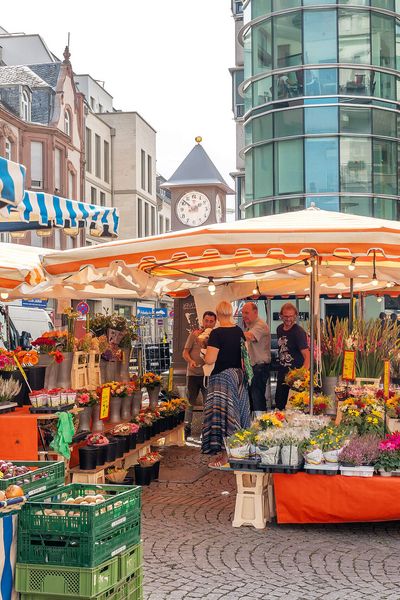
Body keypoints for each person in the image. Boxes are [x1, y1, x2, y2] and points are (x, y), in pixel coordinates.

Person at [201, 300, 251, 467]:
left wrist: (204, 351)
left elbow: (210, 359)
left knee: (224, 417)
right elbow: (245, 354)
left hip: (223, 378)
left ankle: (225, 457)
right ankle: (239, 451)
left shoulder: (217, 333)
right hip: (239, 376)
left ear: (217, 313)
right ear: (231, 312)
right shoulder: (239, 330)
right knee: (237, 414)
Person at [182, 310, 217, 437]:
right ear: (202, 321)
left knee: (208, 402)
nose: (208, 323)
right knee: (189, 402)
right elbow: (185, 352)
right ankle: (187, 427)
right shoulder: (194, 334)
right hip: (192, 373)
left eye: (211, 321)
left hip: (208, 374)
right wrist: (191, 361)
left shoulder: (216, 336)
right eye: (206, 320)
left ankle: (206, 429)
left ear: (215, 322)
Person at [275, 302, 310, 410]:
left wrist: (301, 375)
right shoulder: (279, 329)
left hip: (295, 375)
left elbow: (307, 355)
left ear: (295, 316)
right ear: (281, 316)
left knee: (295, 406)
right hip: (282, 372)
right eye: (286, 316)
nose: (288, 319)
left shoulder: (298, 332)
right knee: (280, 402)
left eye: (291, 316)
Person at [242, 302, 271, 415]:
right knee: (252, 395)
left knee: (257, 395)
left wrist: (232, 332)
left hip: (260, 367)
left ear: (255, 312)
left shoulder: (260, 325)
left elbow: (250, 336)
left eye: (246, 313)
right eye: (243, 313)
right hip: (253, 367)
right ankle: (254, 422)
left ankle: (260, 423)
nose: (244, 315)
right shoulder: (251, 325)